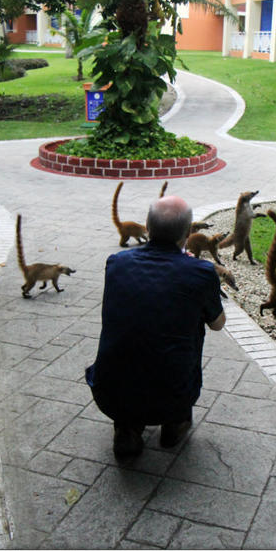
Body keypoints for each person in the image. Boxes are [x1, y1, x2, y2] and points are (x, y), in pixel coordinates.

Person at [86, 195, 226, 459]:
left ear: (147, 228)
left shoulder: (117, 263)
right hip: (172, 397)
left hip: (109, 394)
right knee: (191, 321)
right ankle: (174, 424)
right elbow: (218, 325)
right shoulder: (201, 273)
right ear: (188, 234)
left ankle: (127, 427)